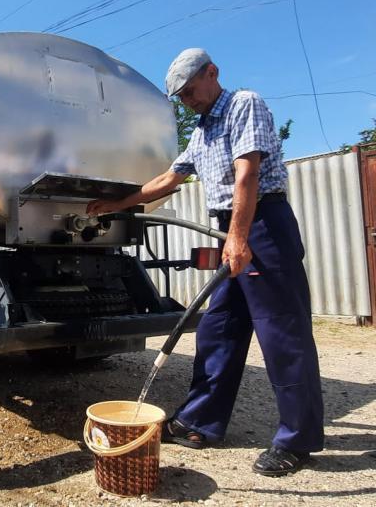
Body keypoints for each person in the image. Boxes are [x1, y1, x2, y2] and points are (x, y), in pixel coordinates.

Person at [86, 48, 323, 477]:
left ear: (212, 73)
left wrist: (238, 237)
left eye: (190, 91)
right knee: (218, 329)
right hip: (231, 228)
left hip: (261, 225)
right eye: (180, 96)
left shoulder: (243, 105)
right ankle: (200, 421)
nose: (186, 101)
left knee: (281, 335)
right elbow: (167, 179)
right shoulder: (201, 131)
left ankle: (297, 439)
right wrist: (117, 204)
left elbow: (247, 174)